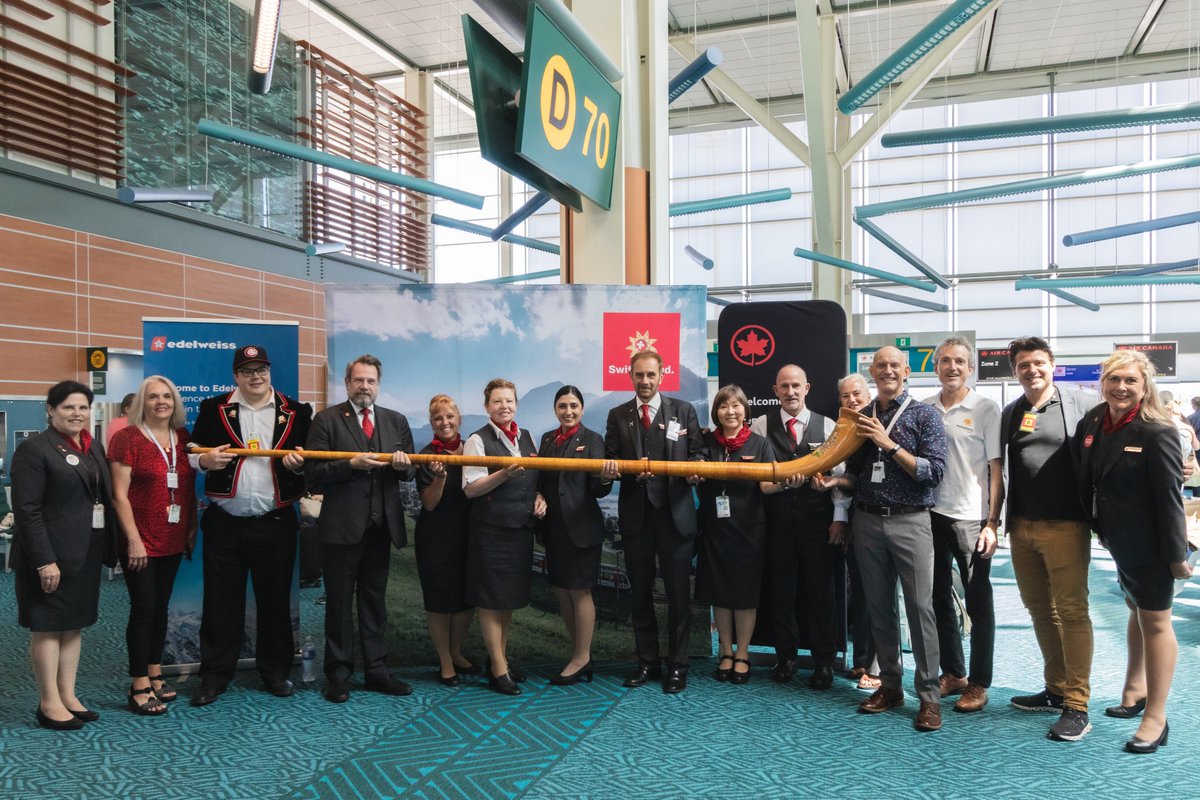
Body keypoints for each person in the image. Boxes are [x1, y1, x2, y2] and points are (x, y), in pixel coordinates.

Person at [1074, 350, 1192, 754]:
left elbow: (1170, 499)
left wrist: (1177, 557)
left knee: (1157, 620)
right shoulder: (1093, 421)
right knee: (1135, 608)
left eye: (1131, 381)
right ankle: (1134, 690)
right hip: (1118, 541)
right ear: (1103, 382)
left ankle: (1156, 717)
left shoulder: (1156, 431)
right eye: (1114, 380)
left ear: (1145, 388)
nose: (1121, 388)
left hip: (1154, 545)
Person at [824, 346, 947, 732]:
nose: (888, 371)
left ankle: (928, 697)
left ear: (907, 372)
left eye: (895, 365)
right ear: (871, 372)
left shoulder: (926, 415)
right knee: (878, 606)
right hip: (868, 521)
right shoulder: (860, 418)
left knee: (919, 609)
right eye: (881, 366)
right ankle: (889, 685)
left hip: (911, 522)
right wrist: (832, 480)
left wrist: (889, 445)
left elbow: (934, 471)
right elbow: (856, 475)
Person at [189, 345, 311, 707]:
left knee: (275, 601)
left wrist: (298, 466)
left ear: (270, 372)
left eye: (261, 370)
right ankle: (215, 675)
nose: (255, 377)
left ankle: (275, 672)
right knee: (220, 603)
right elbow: (194, 451)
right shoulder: (213, 408)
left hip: (275, 521)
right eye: (247, 371)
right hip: (225, 523)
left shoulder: (297, 411)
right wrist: (205, 461)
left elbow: (311, 462)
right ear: (235, 376)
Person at [1000, 336, 1096, 741]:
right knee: (1040, 610)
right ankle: (1056, 689)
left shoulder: (1083, 405)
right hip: (1022, 527)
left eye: (1038, 363)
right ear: (1014, 371)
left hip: (1067, 526)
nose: (1031, 370)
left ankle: (1077, 704)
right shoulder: (1012, 411)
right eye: (1023, 365)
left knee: (1072, 611)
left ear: (1052, 364)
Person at [306, 355, 414, 703]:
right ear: (347, 383)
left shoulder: (395, 421)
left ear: (378, 385)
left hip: (380, 527)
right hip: (340, 528)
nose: (364, 386)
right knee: (338, 603)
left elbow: (410, 471)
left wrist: (401, 466)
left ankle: (377, 671)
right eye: (358, 380)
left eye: (370, 381)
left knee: (374, 603)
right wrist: (349, 464)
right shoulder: (325, 420)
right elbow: (312, 474)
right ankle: (338, 674)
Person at [11, 380, 113, 730]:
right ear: (51, 410)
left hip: (84, 552)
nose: (77, 413)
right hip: (48, 556)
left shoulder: (93, 447)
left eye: (83, 407)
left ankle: (67, 695)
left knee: (73, 627)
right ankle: (48, 701)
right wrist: (44, 559)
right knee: (48, 627)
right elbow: (27, 510)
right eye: (68, 407)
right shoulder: (35, 449)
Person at [602, 350, 705, 694]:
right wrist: (611, 468)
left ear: (662, 375)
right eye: (638, 375)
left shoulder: (684, 410)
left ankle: (678, 666)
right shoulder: (618, 416)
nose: (644, 382)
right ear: (630, 376)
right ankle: (647, 662)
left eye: (650, 375)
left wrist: (694, 472)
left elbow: (699, 455)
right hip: (636, 519)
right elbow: (611, 459)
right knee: (640, 594)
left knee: (678, 595)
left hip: (675, 517)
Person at [108, 376, 196, 715]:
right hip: (139, 540)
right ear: (141, 403)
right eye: (153, 397)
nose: (161, 402)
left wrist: (191, 528)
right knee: (143, 609)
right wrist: (133, 540)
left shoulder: (182, 437)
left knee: (161, 608)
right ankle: (138, 683)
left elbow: (187, 490)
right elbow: (119, 495)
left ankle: (155, 672)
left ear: (175, 402)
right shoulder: (126, 439)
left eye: (167, 396)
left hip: (174, 535)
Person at [923, 337, 1002, 714]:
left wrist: (992, 521)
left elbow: (997, 469)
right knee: (938, 597)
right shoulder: (925, 409)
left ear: (970, 368)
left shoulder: (986, 408)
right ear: (935, 366)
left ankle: (980, 682)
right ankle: (954, 672)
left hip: (972, 518)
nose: (952, 367)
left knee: (978, 601)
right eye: (945, 361)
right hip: (930, 515)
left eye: (959, 361)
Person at [749, 365, 839, 689]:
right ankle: (785, 657)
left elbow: (838, 477)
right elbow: (758, 476)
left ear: (807, 388)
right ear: (775, 391)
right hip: (777, 525)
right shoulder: (760, 426)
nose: (790, 392)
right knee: (780, 594)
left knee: (820, 595)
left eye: (796, 386)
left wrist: (838, 513)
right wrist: (783, 484)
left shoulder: (827, 426)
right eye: (784, 386)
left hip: (818, 523)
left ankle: (824, 662)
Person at [462, 378, 546, 695]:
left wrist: (540, 498)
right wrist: (503, 474)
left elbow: (533, 481)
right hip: (490, 533)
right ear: (487, 406)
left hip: (520, 531)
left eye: (509, 401)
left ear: (516, 404)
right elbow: (471, 489)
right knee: (490, 601)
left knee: (507, 601)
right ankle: (498, 670)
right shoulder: (477, 440)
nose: (504, 406)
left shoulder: (526, 436)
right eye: (497, 401)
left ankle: (501, 661)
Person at [695, 384, 780, 685]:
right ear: (717, 412)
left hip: (748, 531)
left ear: (745, 410)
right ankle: (725, 651)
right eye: (723, 406)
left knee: (745, 595)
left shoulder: (759, 444)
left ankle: (743, 652)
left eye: (736, 405)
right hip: (714, 530)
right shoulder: (705, 442)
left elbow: (767, 486)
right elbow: (696, 474)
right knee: (720, 592)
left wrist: (788, 482)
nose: (730, 411)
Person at [537, 385, 612, 686]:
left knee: (580, 591)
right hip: (553, 527)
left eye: (573, 406)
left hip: (582, 528)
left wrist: (605, 479)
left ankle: (581, 657)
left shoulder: (593, 439)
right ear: (555, 409)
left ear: (582, 409)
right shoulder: (546, 439)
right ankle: (579, 654)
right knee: (561, 590)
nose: (568, 411)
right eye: (562, 406)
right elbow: (539, 478)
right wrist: (538, 495)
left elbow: (597, 488)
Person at [414, 394, 478, 686]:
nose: (445, 422)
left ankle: (456, 651)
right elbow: (428, 504)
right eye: (438, 418)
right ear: (432, 423)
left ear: (459, 419)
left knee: (466, 598)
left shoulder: (475, 449)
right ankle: (444, 661)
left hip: (469, 535)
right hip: (436, 538)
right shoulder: (427, 455)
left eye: (450, 417)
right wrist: (439, 477)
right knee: (440, 601)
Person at [834, 373, 880, 691]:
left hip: (892, 519)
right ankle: (863, 660)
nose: (853, 400)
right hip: (857, 518)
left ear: (869, 394)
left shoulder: (884, 424)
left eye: (858, 394)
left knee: (882, 595)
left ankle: (880, 667)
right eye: (846, 396)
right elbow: (847, 478)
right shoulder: (843, 432)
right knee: (862, 593)